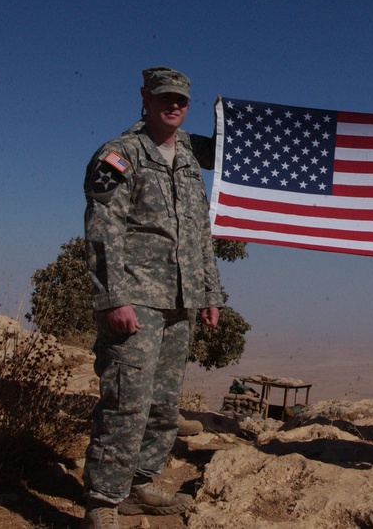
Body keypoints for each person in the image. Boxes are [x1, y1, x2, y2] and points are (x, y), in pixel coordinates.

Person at [81, 67, 224, 529]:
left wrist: (208, 292)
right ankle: (103, 502)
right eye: (164, 97)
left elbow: (200, 229)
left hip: (181, 299)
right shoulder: (120, 154)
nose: (174, 105)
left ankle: (139, 485)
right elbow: (103, 231)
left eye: (181, 99)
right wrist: (113, 298)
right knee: (127, 400)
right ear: (145, 97)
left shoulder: (186, 150)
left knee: (163, 404)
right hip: (135, 297)